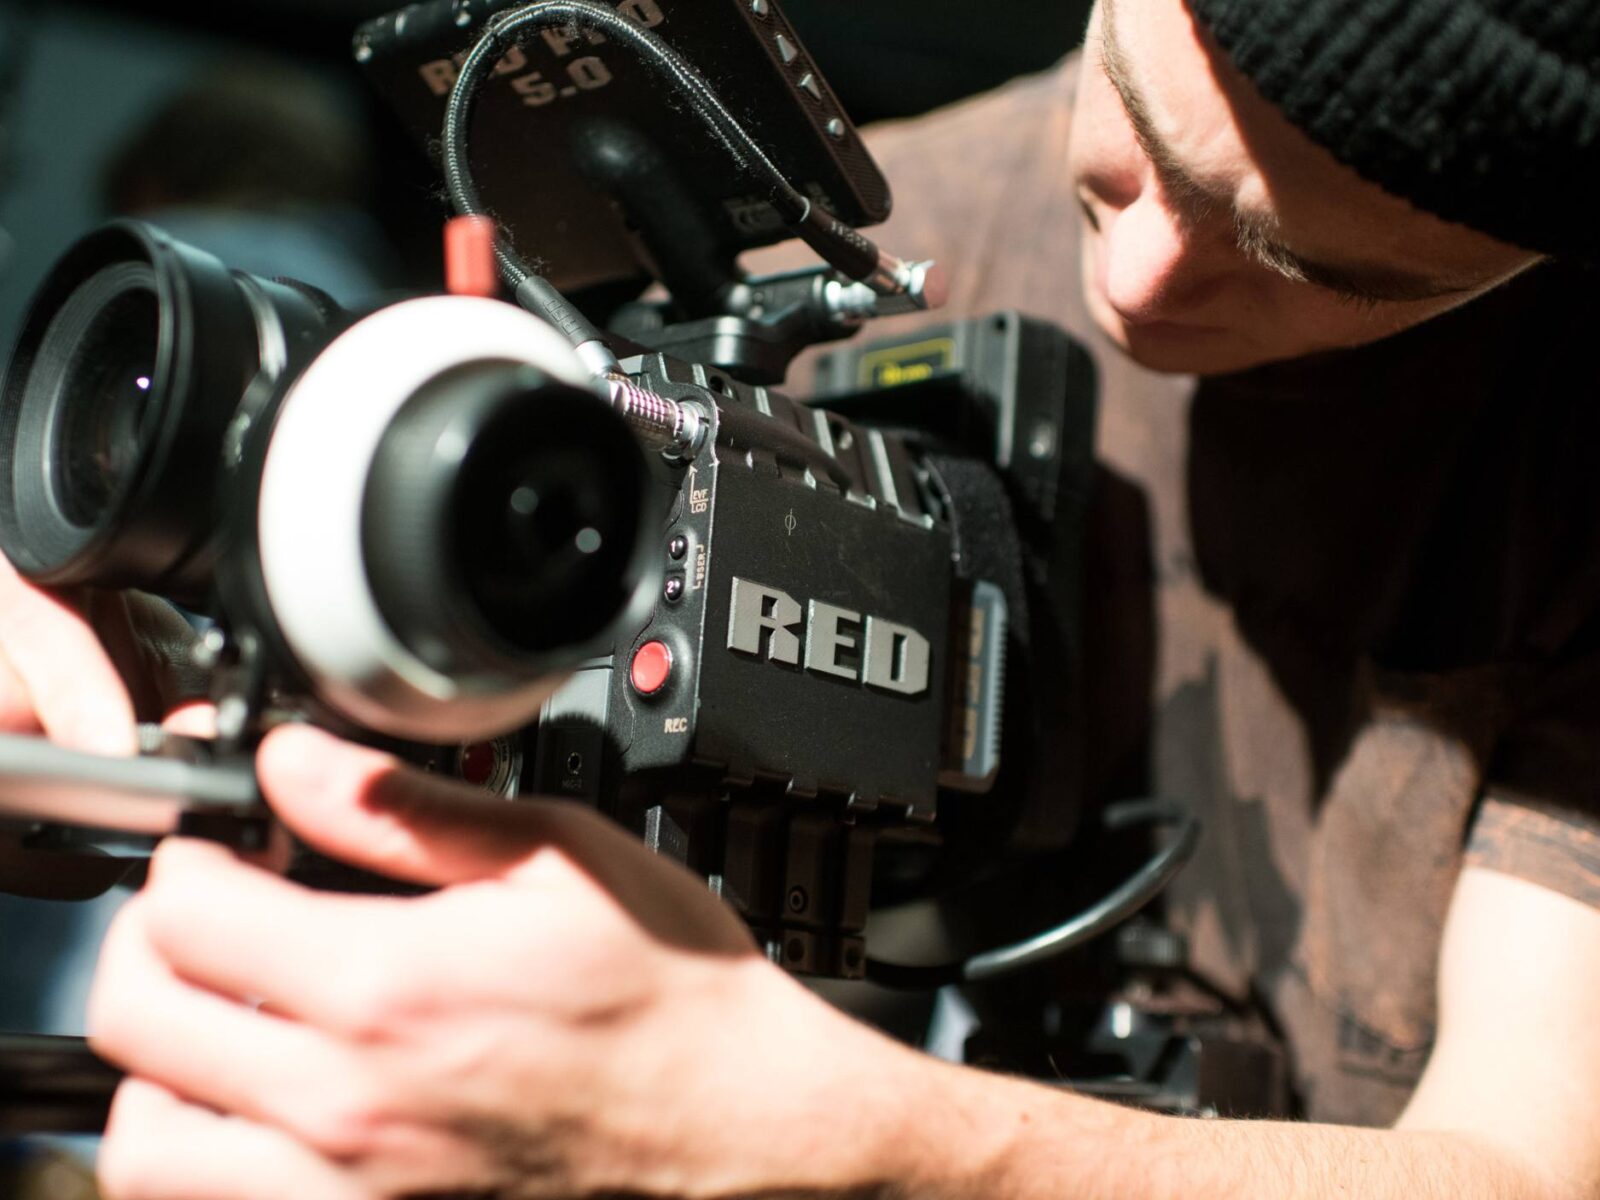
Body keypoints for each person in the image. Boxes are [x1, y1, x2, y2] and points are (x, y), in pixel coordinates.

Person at [1, 0, 1597, 1195]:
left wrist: (827, 1124)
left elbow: (1526, 1170)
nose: (1144, 283)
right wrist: (118, 604)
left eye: (1311, 264)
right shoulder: (852, 232)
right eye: (1132, 141)